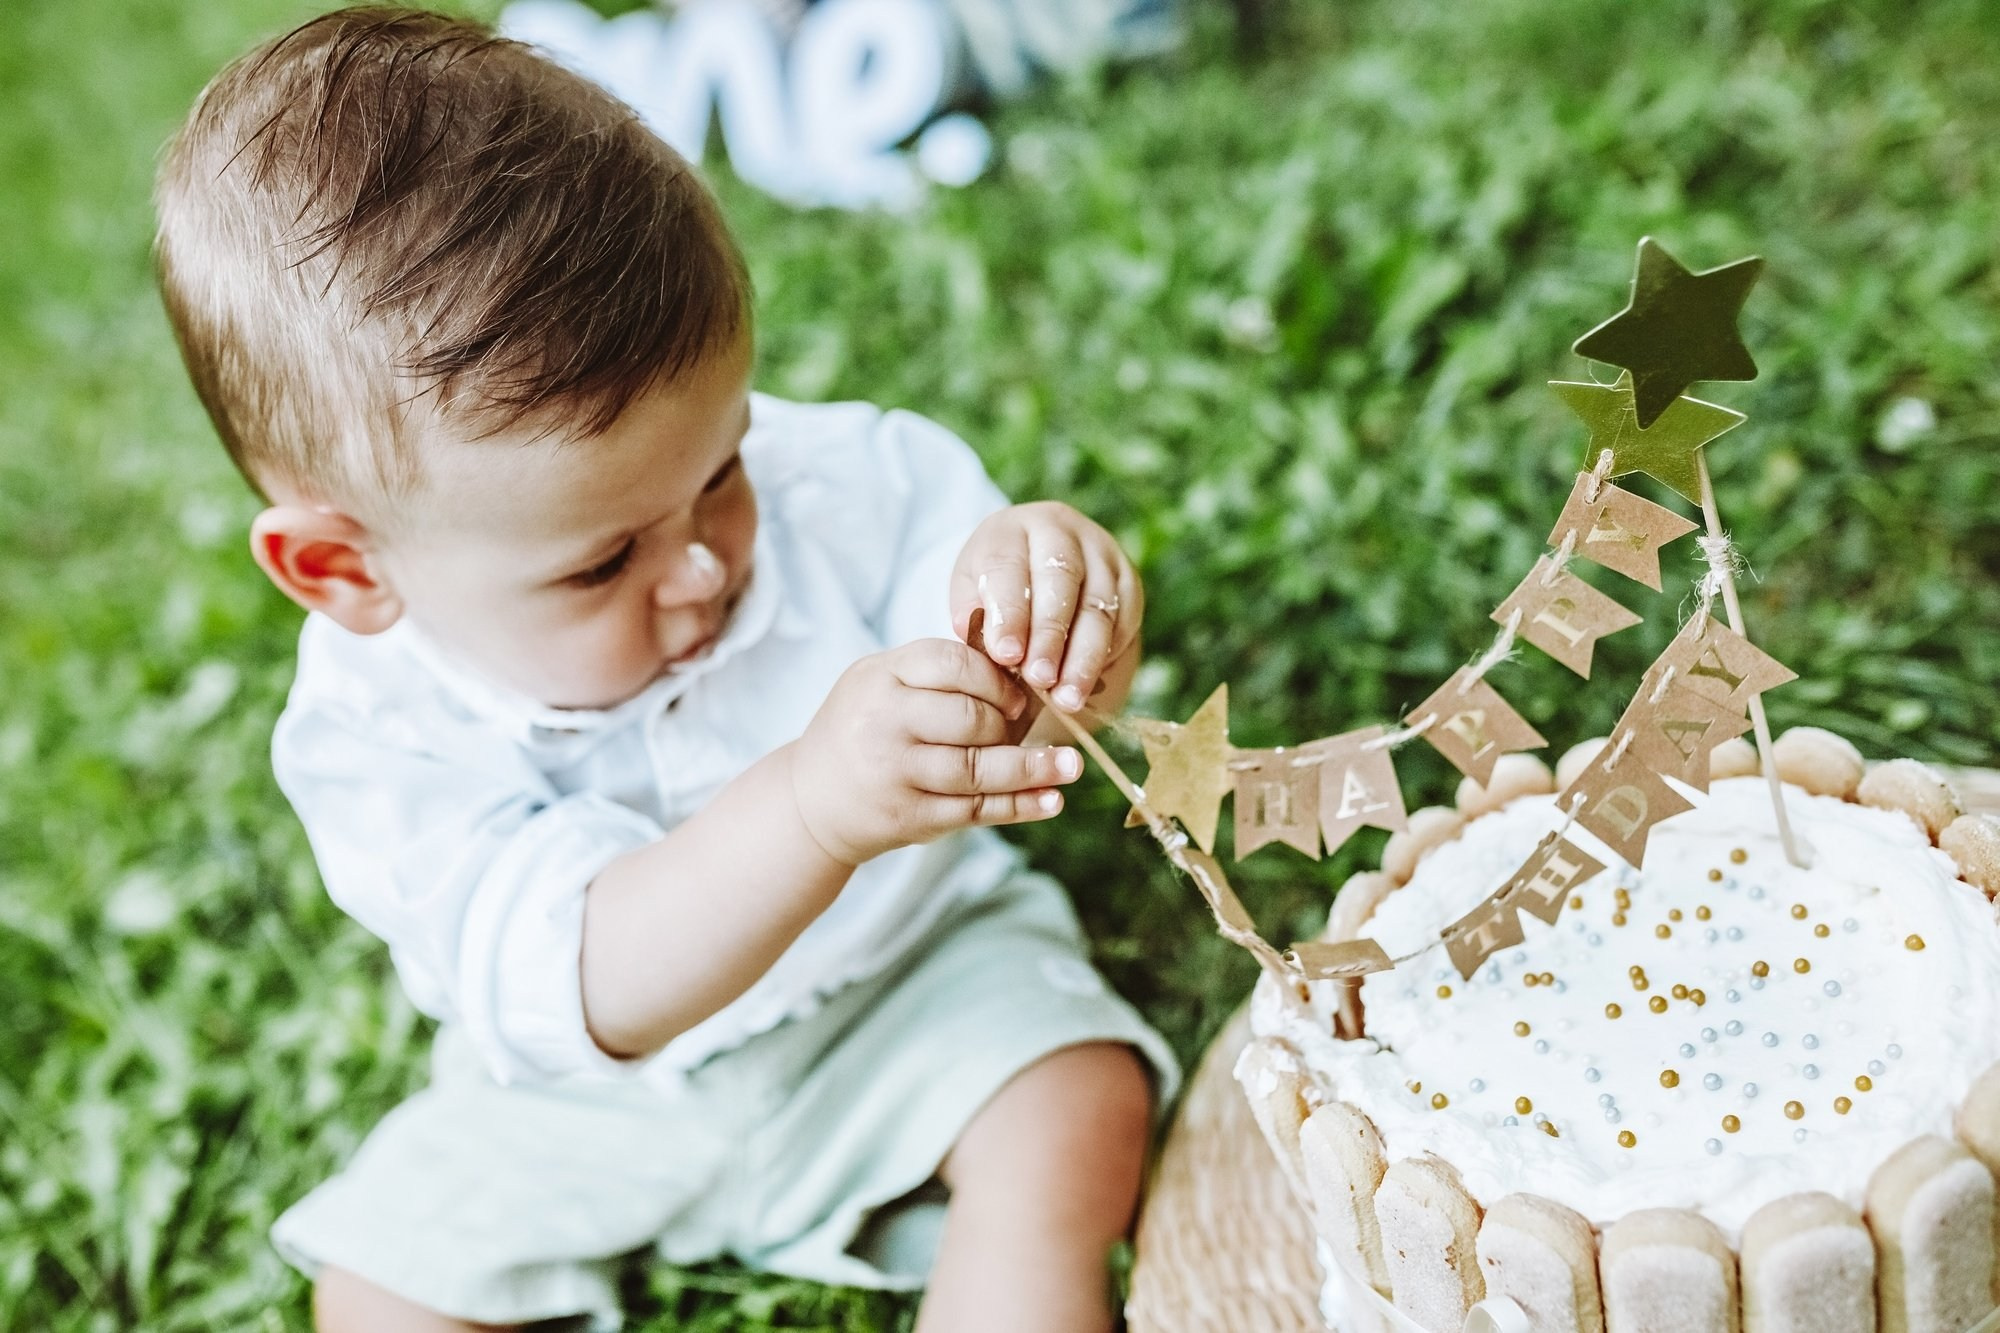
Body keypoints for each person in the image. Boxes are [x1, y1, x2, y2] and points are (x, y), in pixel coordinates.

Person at [152, 8, 1177, 1331]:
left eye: (724, 471)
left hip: (910, 979)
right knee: (377, 1286)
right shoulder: (375, 736)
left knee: (1074, 1105)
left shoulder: (837, 482)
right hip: (584, 1102)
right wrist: (809, 805)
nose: (700, 563)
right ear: (348, 572)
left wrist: (1047, 598)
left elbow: (1004, 653)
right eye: (600, 564)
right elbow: (591, 984)